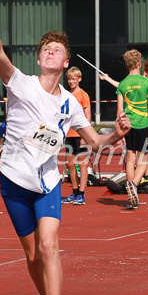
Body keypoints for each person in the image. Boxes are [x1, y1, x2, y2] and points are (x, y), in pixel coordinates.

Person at [0, 12, 131, 295]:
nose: (51, 53)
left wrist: (117, 133)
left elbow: (95, 141)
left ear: (66, 62)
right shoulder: (20, 83)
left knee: (50, 245)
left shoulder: (69, 103)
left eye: (57, 50)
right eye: (46, 49)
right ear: (40, 58)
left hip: (48, 183)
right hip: (13, 183)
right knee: (32, 255)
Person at [116, 49, 148, 210]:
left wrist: (120, 131)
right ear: (139, 63)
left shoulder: (122, 84)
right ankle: (134, 185)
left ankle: (130, 193)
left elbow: (120, 111)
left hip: (128, 125)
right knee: (145, 158)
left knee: (130, 159)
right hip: (143, 124)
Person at [62, 66, 92, 205]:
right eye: (69, 79)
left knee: (83, 164)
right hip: (69, 134)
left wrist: (86, 137)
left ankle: (81, 193)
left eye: (73, 79)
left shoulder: (83, 95)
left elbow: (88, 116)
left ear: (79, 79)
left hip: (80, 134)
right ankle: (74, 192)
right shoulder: (66, 94)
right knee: (70, 164)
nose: (71, 81)